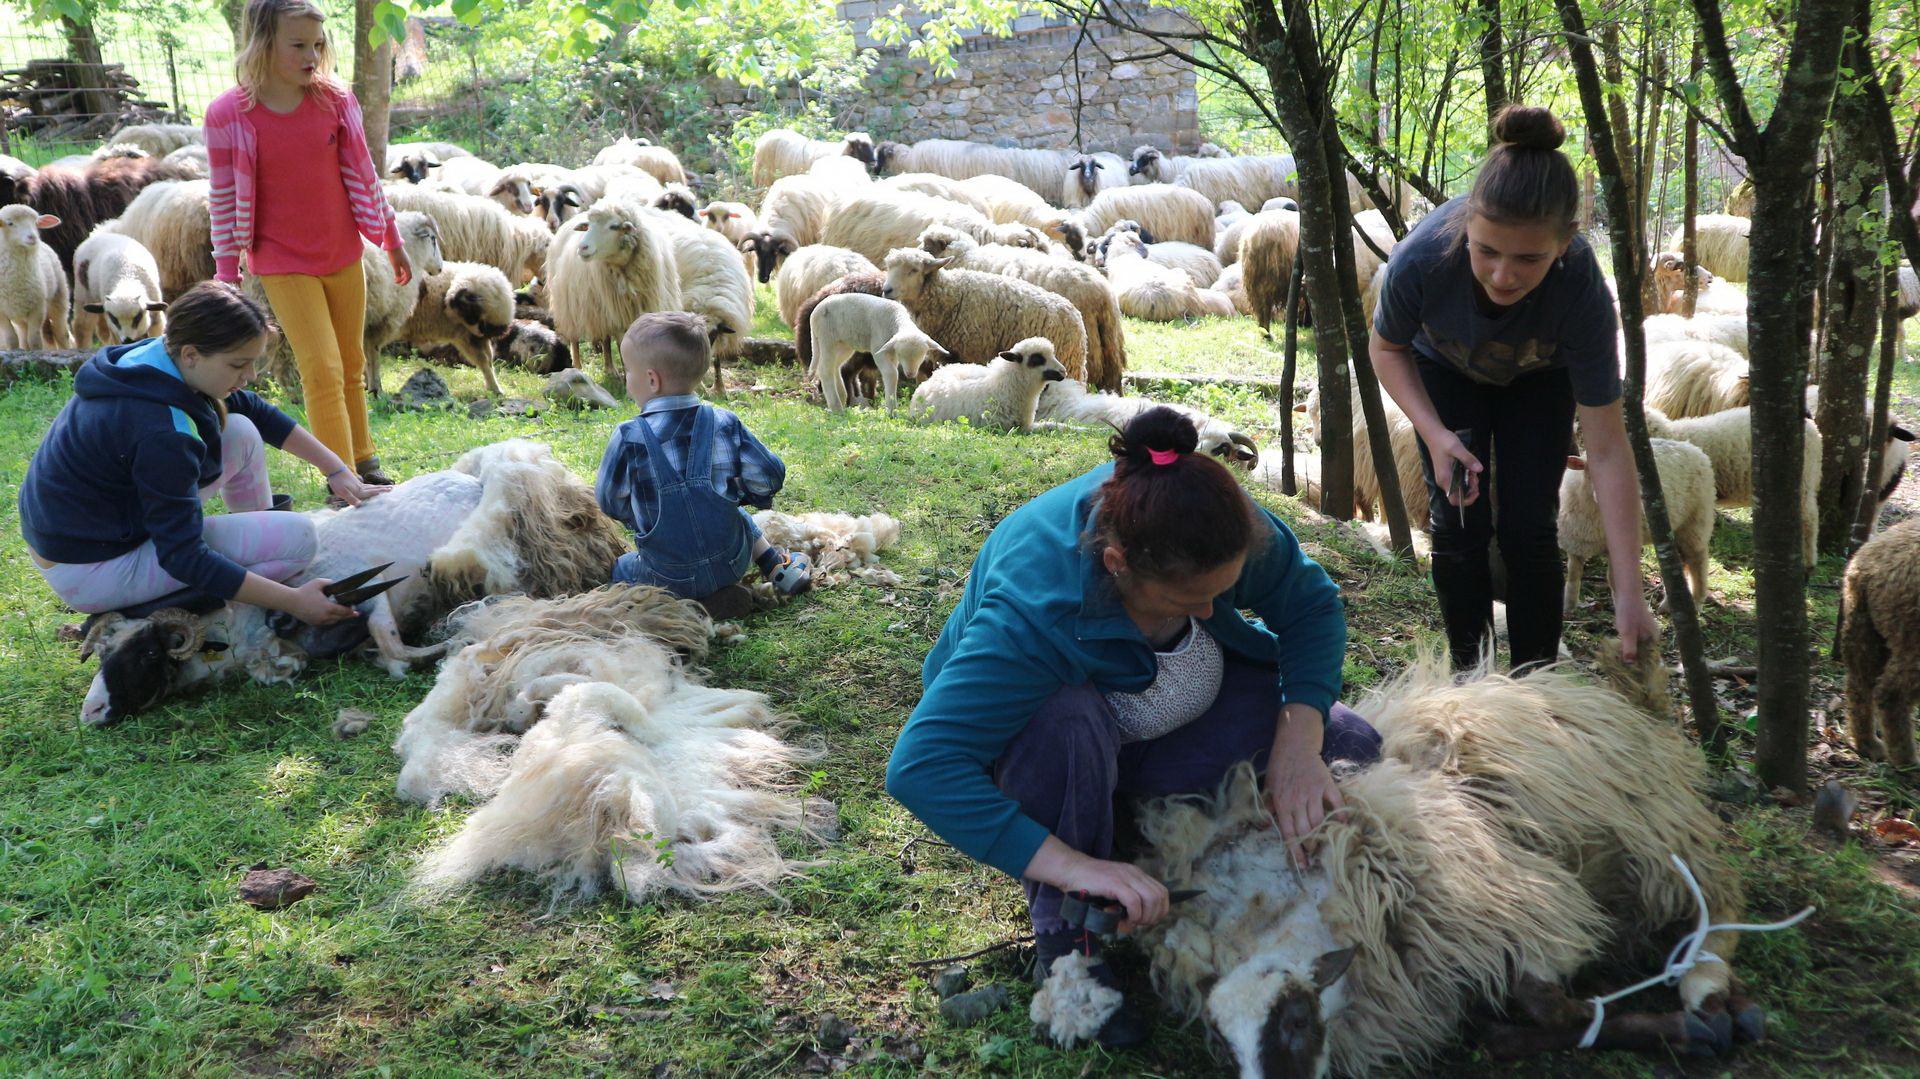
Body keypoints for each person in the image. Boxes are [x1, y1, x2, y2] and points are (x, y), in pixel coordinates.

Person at [885, 407, 1380, 1048]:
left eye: (1222, 592)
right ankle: (1072, 933)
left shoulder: (1216, 524)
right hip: (1067, 744)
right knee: (1063, 722)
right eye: (1185, 601)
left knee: (1349, 747)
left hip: (1171, 710)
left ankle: (1173, 850)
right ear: (1117, 563)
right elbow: (922, 766)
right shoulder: (1036, 610)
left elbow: (1311, 605)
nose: (1208, 610)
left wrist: (1298, 744)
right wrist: (1074, 866)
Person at [1370, 103, 1656, 671]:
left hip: (1538, 380)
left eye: (1530, 258)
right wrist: (1434, 435)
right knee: (1456, 522)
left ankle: (1534, 682)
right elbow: (1386, 348)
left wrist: (1629, 591)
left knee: (1530, 527)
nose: (1504, 275)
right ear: (1466, 227)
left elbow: (1605, 448)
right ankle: (1468, 677)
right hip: (1444, 374)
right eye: (1487, 251)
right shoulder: (1423, 259)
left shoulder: (1581, 292)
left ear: (1566, 241)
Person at [19, 282, 385, 627]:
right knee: (301, 539)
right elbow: (182, 555)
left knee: (240, 430)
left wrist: (335, 468)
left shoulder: (156, 357)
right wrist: (293, 601)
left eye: (252, 362)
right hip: (91, 568)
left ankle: (256, 541)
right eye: (238, 364)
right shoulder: (162, 433)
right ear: (191, 354)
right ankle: (146, 612)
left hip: (93, 529)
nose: (250, 375)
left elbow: (252, 409)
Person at [205, 0, 410, 493]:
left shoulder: (336, 101)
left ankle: (365, 459)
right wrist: (227, 272)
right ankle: (339, 476)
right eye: (297, 45)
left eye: (319, 45)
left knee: (352, 362)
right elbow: (223, 196)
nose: (312, 56)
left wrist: (391, 237)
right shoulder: (228, 114)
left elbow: (364, 174)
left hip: (343, 253)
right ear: (262, 43)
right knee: (322, 367)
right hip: (280, 260)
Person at [595, 312, 813, 620]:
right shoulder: (724, 422)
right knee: (733, 513)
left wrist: (642, 517)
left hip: (666, 574)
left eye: (627, 371)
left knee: (621, 568)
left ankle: (680, 606)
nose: (625, 379)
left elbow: (608, 500)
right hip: (729, 563)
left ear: (652, 380)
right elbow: (770, 475)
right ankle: (776, 566)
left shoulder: (628, 437)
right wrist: (739, 493)